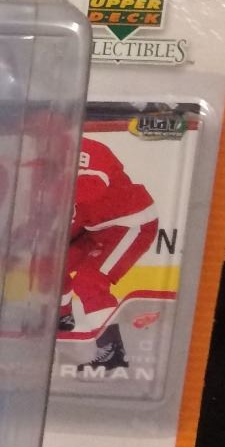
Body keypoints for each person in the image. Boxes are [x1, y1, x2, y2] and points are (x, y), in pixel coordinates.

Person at [61, 136, 158, 371]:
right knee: (54, 265)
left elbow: (94, 186)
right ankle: (63, 319)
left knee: (89, 281)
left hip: (129, 223)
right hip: (93, 226)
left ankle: (112, 350)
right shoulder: (39, 155)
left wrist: (54, 195)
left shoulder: (86, 149)